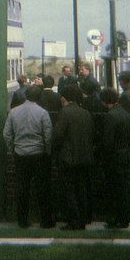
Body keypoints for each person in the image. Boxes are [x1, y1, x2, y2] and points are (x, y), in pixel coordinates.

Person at [4, 85, 54, 228]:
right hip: (39, 153)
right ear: (39, 97)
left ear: (26, 96)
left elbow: (6, 134)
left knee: (22, 188)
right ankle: (45, 220)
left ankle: (22, 220)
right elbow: (48, 135)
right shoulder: (43, 113)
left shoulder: (14, 112)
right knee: (42, 188)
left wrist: (12, 149)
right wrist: (47, 150)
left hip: (20, 153)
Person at [52, 84, 94, 230]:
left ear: (65, 97)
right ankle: (83, 219)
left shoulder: (65, 113)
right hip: (85, 157)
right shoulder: (86, 113)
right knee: (81, 189)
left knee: (69, 191)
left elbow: (57, 135)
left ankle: (74, 221)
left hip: (68, 158)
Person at [100, 87, 130, 229]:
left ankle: (117, 219)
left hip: (113, 157)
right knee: (122, 188)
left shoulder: (110, 116)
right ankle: (124, 218)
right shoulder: (124, 113)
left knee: (114, 190)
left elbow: (107, 141)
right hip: (124, 154)